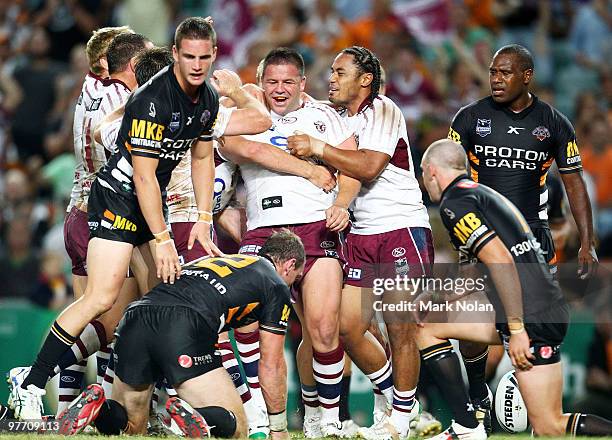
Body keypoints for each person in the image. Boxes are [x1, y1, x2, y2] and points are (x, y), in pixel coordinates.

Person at [7, 16, 271, 421]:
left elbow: (202, 156)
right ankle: (30, 382)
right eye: (188, 57)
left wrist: (203, 217)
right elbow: (144, 177)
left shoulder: (206, 99)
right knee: (101, 296)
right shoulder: (153, 100)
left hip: (152, 203)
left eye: (205, 57)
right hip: (118, 198)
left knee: (156, 302)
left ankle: (159, 409)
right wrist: (163, 239)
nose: (198, 66)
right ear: (176, 57)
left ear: (214, 55)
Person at [447, 43, 598, 431]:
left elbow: (574, 182)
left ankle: (529, 410)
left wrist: (587, 241)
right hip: (481, 239)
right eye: (493, 72)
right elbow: (449, 173)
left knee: (522, 327)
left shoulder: (554, 123)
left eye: (504, 73)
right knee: (474, 323)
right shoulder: (469, 118)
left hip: (533, 244)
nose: (495, 80)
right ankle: (480, 391)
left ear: (526, 75)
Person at [417, 139, 612, 439]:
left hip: (530, 315)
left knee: (549, 426)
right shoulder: (482, 195)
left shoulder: (454, 205)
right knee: (427, 326)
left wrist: (518, 329)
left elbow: (501, 261)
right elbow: (477, 273)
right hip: (541, 306)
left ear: (431, 171)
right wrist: (438, 296)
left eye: (422, 174)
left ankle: (468, 424)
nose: (422, 182)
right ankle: (468, 425)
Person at [287, 46, 433, 440]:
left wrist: (317, 148)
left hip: (401, 228)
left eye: (340, 72)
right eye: (330, 72)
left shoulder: (384, 110)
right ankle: (400, 401)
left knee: (401, 328)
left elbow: (369, 166)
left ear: (365, 79)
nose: (331, 78)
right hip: (360, 235)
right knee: (348, 328)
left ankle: (399, 421)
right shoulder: (334, 117)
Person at [219, 47, 362, 437]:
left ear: (302, 83)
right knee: (248, 328)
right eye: (271, 82)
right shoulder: (242, 118)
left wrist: (345, 204)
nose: (279, 90)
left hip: (317, 228)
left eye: (287, 82)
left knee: (323, 329)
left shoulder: (324, 116)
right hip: (264, 231)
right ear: (260, 83)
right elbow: (241, 151)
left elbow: (351, 164)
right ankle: (265, 419)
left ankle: (326, 419)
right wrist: (309, 171)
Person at [56, 230, 305, 438]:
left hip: (136, 317)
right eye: (296, 279)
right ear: (289, 265)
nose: (293, 287)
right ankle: (202, 418)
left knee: (132, 428)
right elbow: (271, 365)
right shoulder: (275, 283)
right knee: (239, 427)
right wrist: (279, 428)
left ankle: (99, 410)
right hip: (183, 324)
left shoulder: (215, 260)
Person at [58, 28, 150, 416]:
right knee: (115, 326)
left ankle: (68, 410)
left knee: (84, 315)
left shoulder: (87, 89)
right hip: (106, 214)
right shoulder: (119, 96)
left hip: (76, 214)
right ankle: (35, 374)